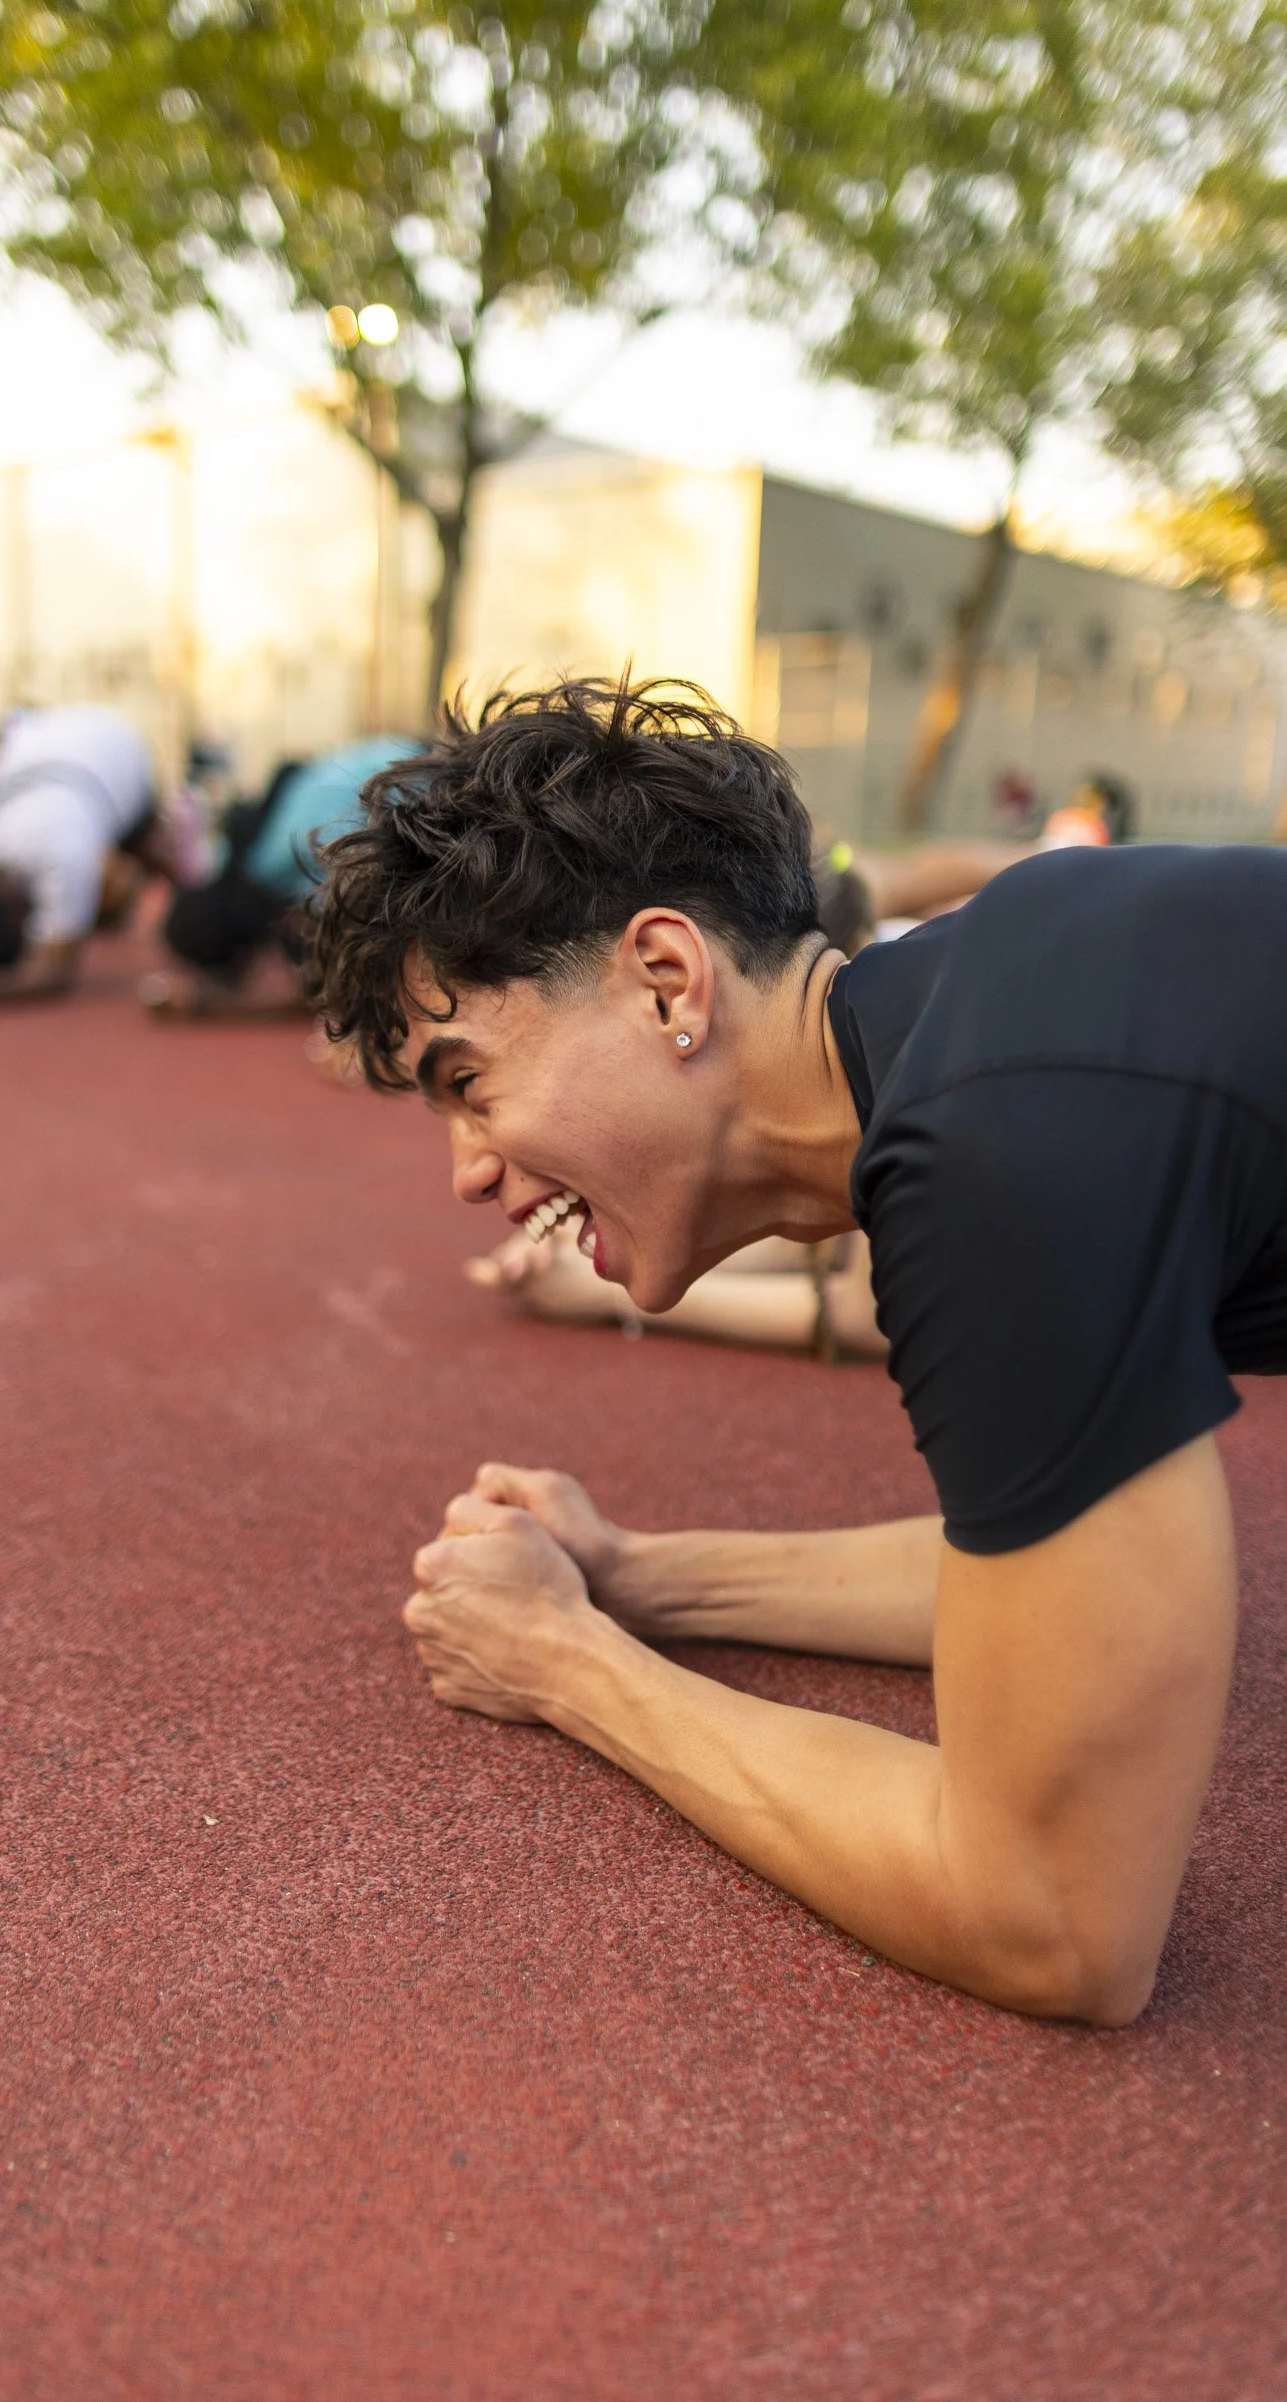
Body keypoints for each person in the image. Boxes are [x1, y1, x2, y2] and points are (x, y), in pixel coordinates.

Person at [310, 675, 1281, 2025]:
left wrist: (568, 1666)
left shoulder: (991, 1152)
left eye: (468, 1083)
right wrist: (629, 1577)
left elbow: (1059, 1921)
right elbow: (1047, 1595)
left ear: (666, 982)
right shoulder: (973, 1031)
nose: (467, 1172)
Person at [467, 846, 886, 1359]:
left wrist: (611, 1296)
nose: (469, 1173)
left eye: (469, 1082)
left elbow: (871, 1313)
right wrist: (609, 1241)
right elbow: (806, 1244)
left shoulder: (897, 1071)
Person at [0, 704, 185, 1002]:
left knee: (149, 871)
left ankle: (185, 888)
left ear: (17, 917)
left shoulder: (62, 854)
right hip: (49, 738)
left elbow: (54, 973)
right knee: (93, 902)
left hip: (125, 754)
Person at [145, 735, 424, 1019]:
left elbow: (330, 990)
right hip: (421, 764)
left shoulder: (279, 862)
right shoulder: (276, 821)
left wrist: (212, 1005)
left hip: (431, 791)